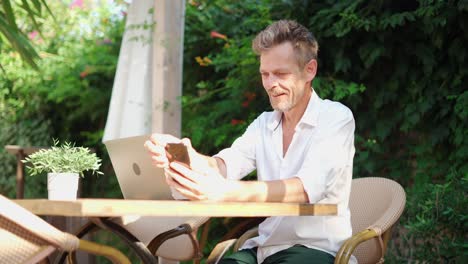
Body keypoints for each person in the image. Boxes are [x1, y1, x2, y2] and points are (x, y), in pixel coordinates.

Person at [145, 20, 356, 264]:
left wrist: (224, 192)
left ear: (310, 70)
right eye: (265, 74)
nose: (270, 84)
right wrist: (189, 159)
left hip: (318, 251)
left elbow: (302, 189)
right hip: (265, 249)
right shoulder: (264, 124)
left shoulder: (335, 118)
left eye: (281, 73)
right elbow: (225, 166)